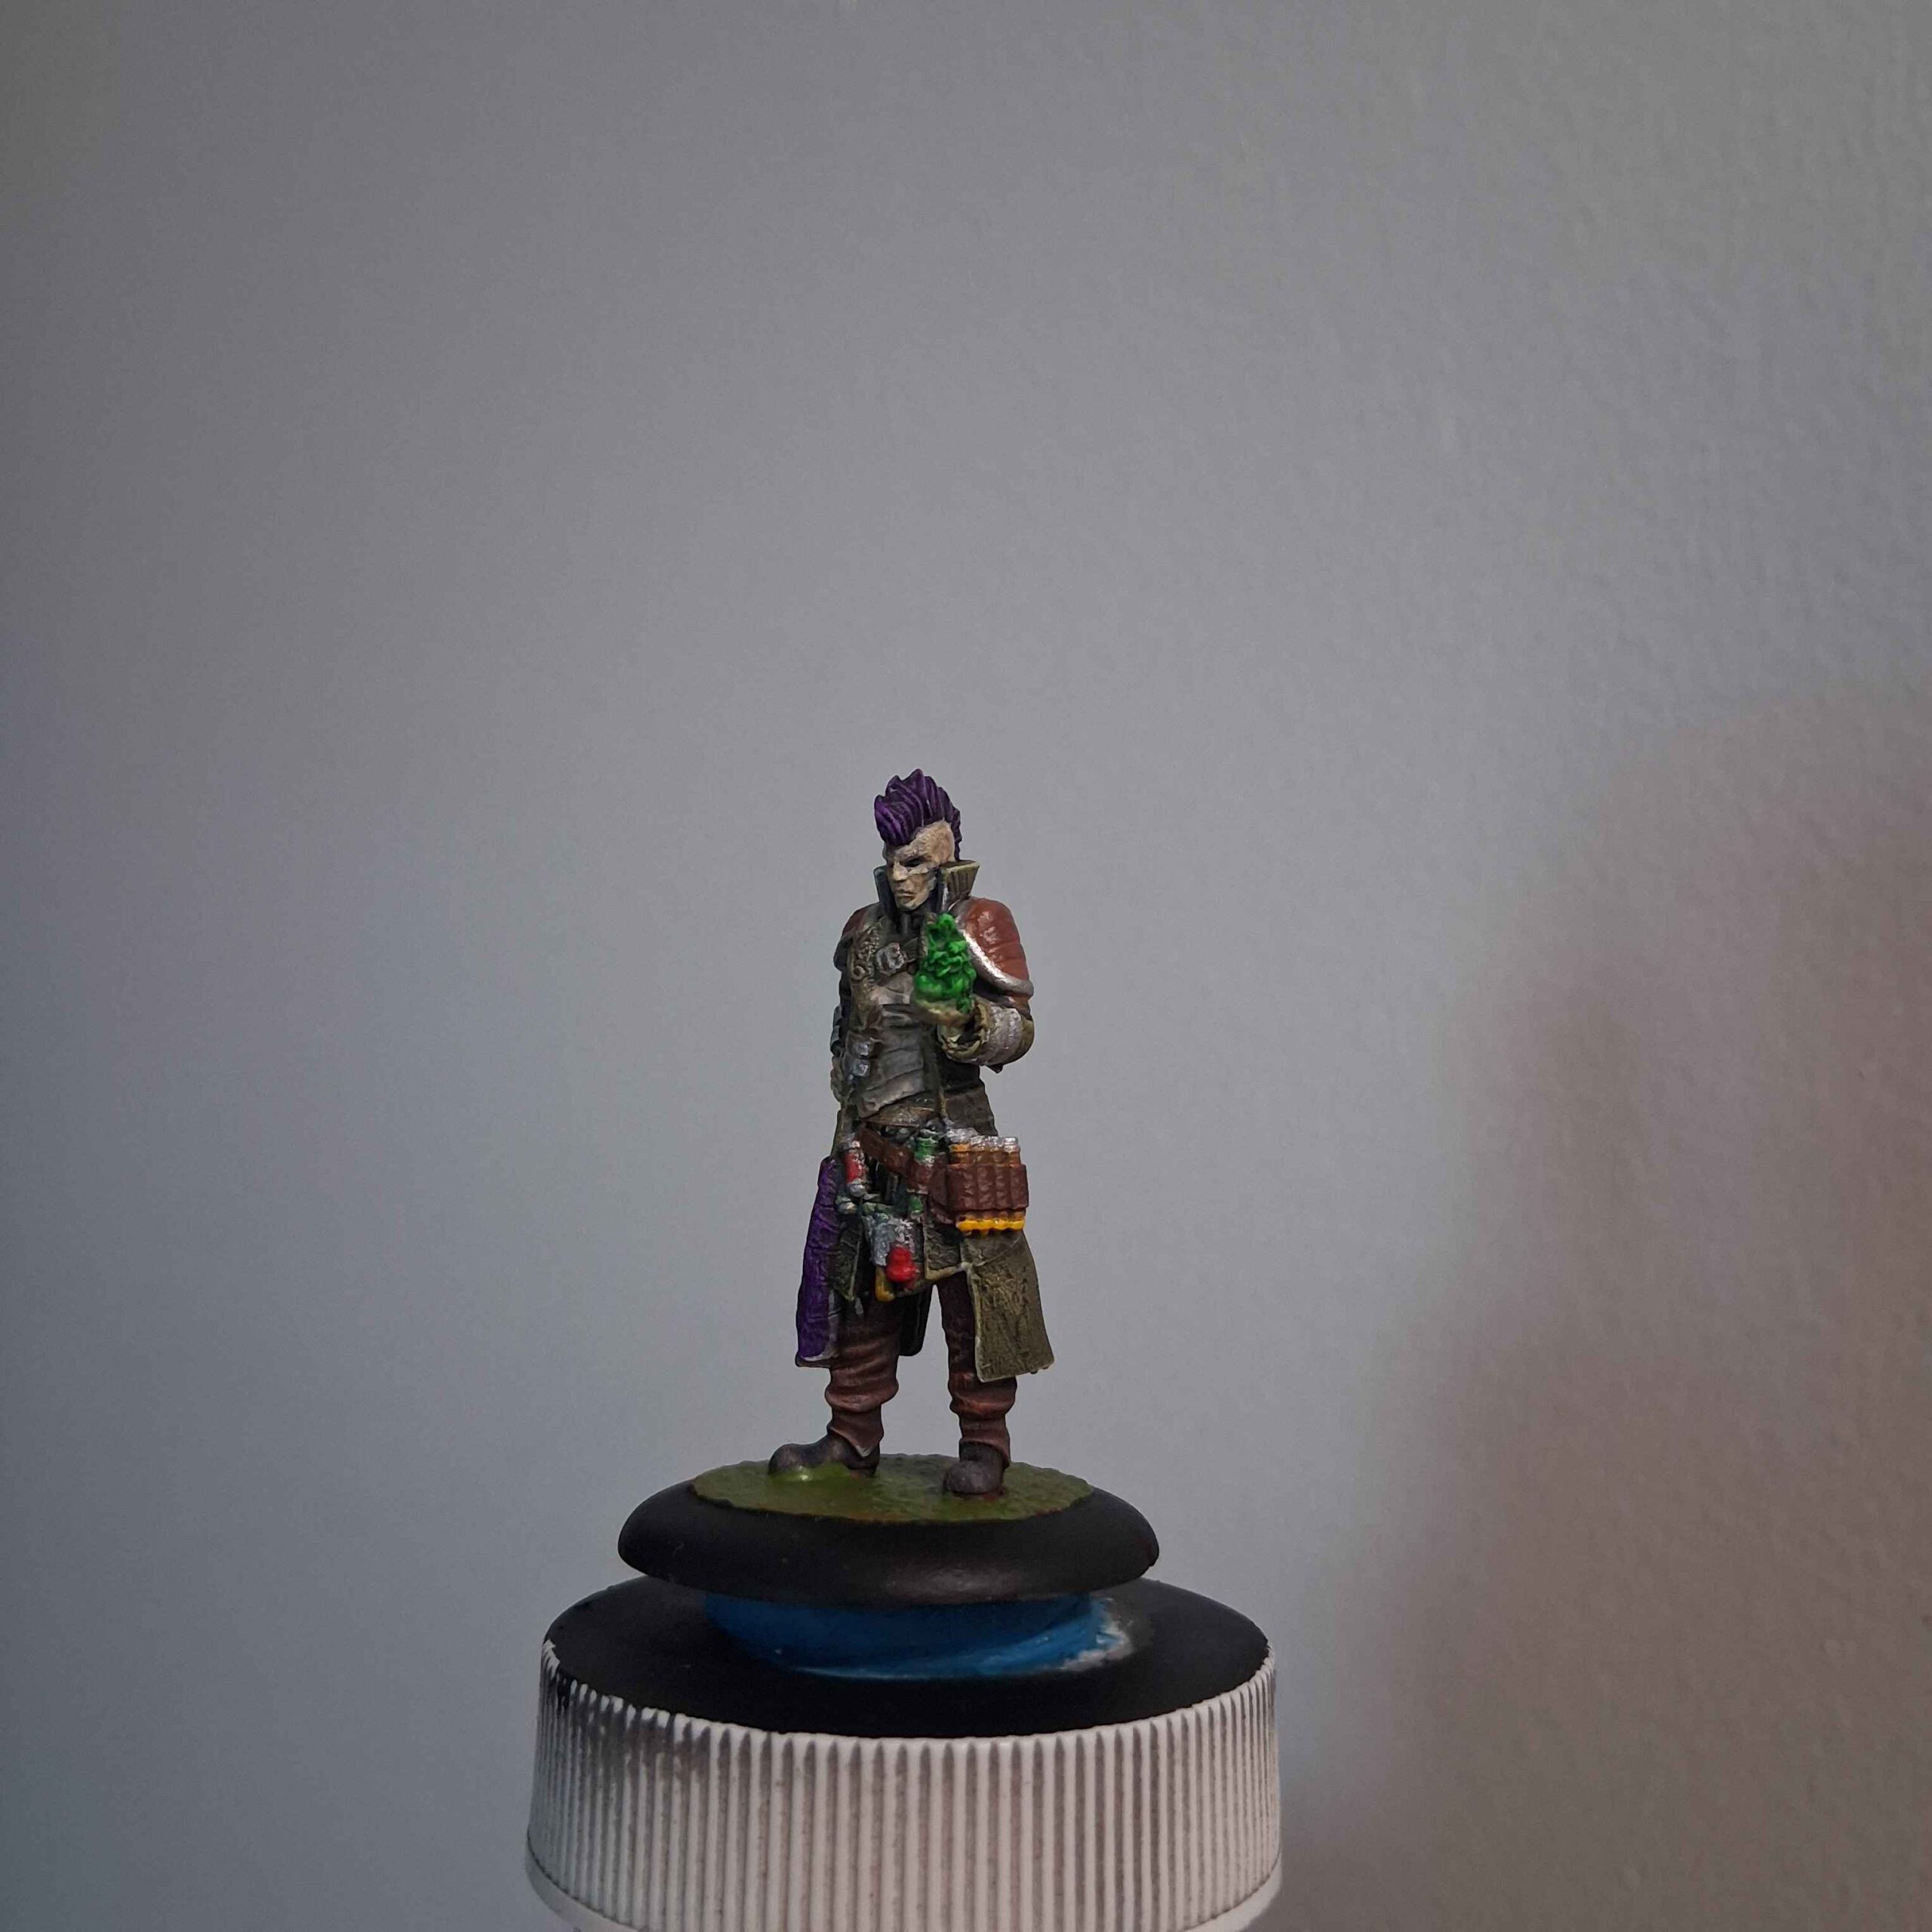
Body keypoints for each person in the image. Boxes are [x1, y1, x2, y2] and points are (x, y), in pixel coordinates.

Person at [774, 771, 1052, 1497]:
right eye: (893, 861)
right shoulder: (863, 934)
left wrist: (964, 1019)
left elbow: (1018, 1030)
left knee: (978, 1300)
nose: (902, 876)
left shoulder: (980, 923)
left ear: (947, 856)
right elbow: (846, 1033)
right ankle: (851, 1434)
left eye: (917, 861)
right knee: (861, 1295)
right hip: (872, 1142)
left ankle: (985, 1444)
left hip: (953, 1145)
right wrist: (847, 1117)